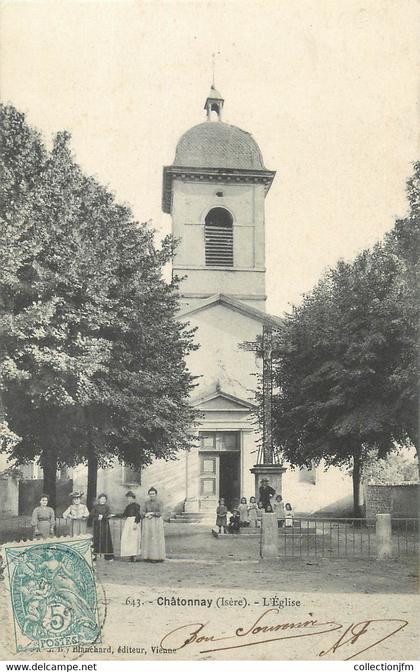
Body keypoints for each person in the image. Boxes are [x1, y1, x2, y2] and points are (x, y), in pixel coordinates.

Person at [141, 487, 165, 562]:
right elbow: (142, 511)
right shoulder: (146, 503)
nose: (152, 495)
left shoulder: (160, 502)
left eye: (153, 494)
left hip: (156, 522)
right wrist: (146, 514)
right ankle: (147, 556)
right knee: (148, 538)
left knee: (156, 539)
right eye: (150, 494)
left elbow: (160, 513)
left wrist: (152, 513)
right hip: (148, 522)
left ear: (156, 494)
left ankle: (156, 557)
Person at [90, 493, 114, 561]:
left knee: (106, 540)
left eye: (104, 499)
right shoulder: (95, 507)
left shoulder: (107, 507)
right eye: (101, 499)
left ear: (106, 500)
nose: (103, 500)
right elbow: (91, 514)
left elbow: (109, 514)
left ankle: (108, 557)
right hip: (97, 526)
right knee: (96, 539)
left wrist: (103, 516)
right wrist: (98, 516)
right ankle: (94, 556)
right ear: (99, 499)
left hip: (105, 525)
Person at [120, 491, 142, 561]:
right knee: (127, 538)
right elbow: (124, 515)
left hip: (134, 522)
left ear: (133, 498)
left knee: (134, 538)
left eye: (130, 498)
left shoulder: (136, 506)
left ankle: (134, 555)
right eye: (128, 498)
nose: (129, 499)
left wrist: (136, 523)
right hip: (128, 522)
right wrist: (114, 515)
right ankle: (130, 555)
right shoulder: (128, 507)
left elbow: (138, 515)